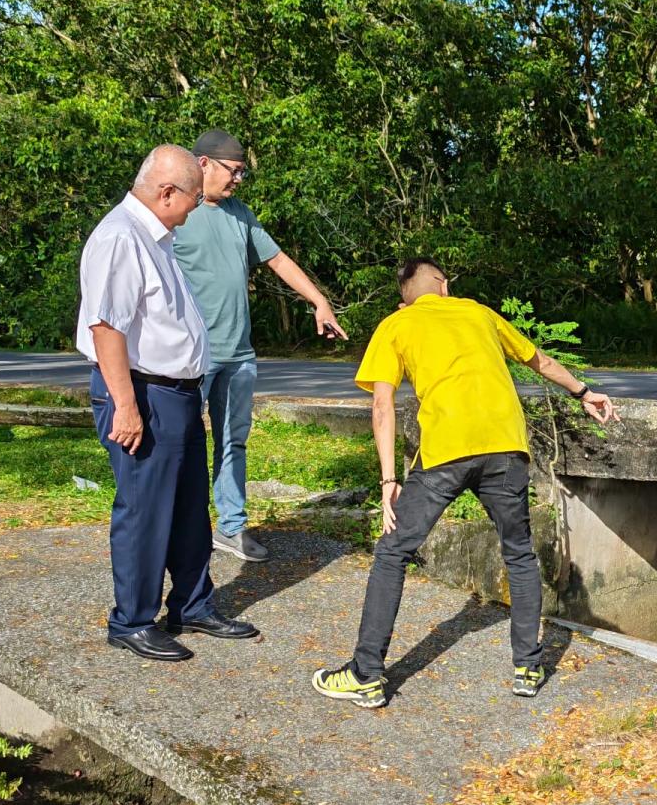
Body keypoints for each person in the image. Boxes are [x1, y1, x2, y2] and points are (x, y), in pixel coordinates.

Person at [312, 259, 619, 708]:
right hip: (506, 447)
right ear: (444, 286)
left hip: (447, 453)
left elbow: (383, 405)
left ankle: (365, 674)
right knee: (518, 551)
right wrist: (584, 393)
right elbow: (542, 360)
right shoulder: (479, 313)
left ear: (405, 298)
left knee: (393, 550)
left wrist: (388, 480)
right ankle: (528, 667)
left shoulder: (396, 324)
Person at [77, 144, 260, 661]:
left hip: (173, 394)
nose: (194, 209)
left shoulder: (158, 236)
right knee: (145, 508)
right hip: (139, 391)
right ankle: (132, 620)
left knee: (186, 508)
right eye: (192, 200)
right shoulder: (121, 237)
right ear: (166, 193)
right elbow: (106, 328)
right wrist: (126, 407)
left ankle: (192, 604)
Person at [170, 128, 348, 563]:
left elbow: (278, 259)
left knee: (234, 441)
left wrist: (319, 300)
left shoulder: (239, 212)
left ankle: (231, 528)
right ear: (204, 164)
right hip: (191, 355)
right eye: (233, 172)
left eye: (242, 174)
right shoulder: (174, 212)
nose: (237, 181)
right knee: (183, 443)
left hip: (239, 354)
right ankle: (181, 528)